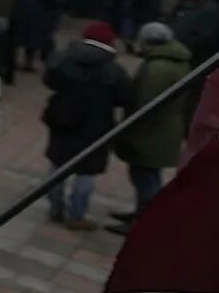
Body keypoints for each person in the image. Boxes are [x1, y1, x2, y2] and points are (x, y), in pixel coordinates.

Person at [42, 21, 133, 231]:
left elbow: (49, 80)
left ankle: (56, 208)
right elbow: (124, 98)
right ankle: (76, 215)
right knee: (86, 173)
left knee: (57, 166)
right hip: (96, 127)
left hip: (63, 120)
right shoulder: (114, 71)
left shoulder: (62, 59)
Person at [111, 22, 194, 234]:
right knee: (147, 176)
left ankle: (145, 221)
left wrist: (132, 131)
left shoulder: (157, 68)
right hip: (164, 130)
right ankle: (142, 213)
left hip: (150, 133)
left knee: (145, 178)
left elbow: (146, 104)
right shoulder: (174, 60)